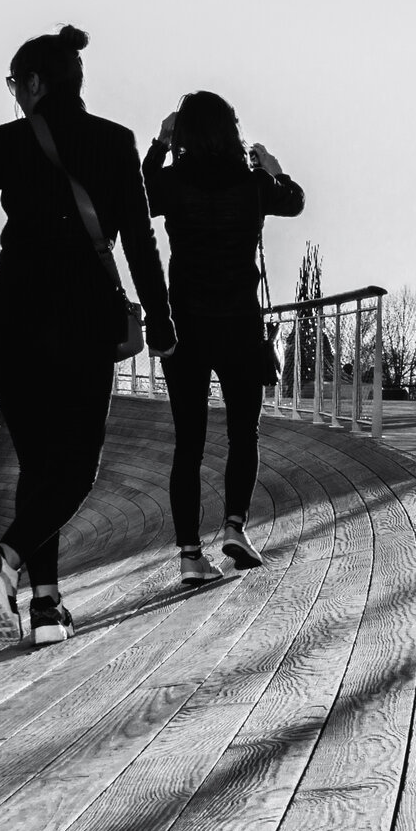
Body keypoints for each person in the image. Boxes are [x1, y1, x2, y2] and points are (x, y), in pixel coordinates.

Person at [0, 26, 174, 647]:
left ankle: (47, 602)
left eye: (14, 83)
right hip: (82, 319)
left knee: (40, 462)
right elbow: (139, 239)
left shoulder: (3, 142)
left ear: (34, 82)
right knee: (75, 467)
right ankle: (7, 562)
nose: (14, 95)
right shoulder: (115, 142)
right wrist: (161, 319)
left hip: (12, 320)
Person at [142, 90, 303, 583]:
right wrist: (273, 167)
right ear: (232, 130)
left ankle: (191, 556)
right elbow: (294, 201)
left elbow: (139, 195)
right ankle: (235, 527)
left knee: (187, 444)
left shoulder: (171, 180)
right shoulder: (253, 182)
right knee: (242, 434)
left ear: (184, 133)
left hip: (184, 327)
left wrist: (159, 143)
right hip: (238, 323)